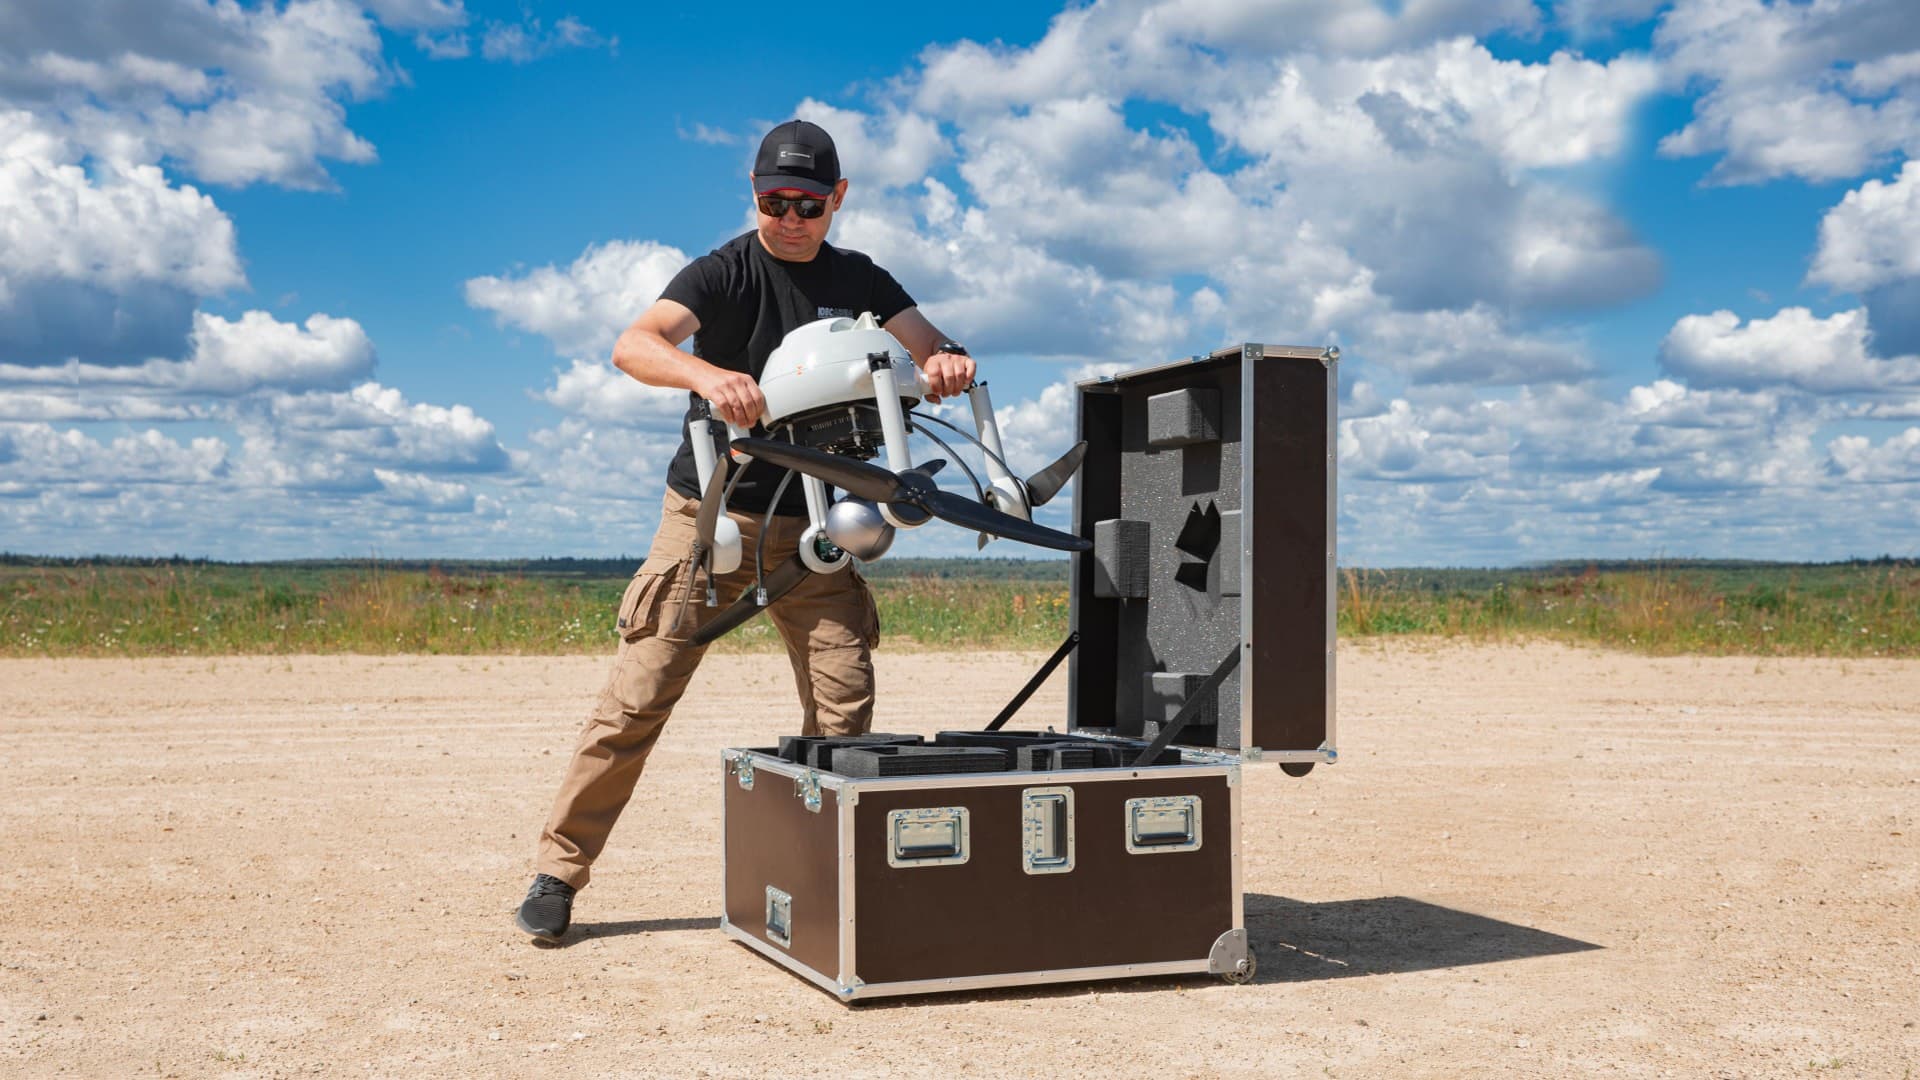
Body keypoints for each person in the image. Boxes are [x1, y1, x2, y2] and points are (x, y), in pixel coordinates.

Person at [515, 119, 976, 942]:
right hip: (711, 519)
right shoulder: (722, 272)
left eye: (809, 204)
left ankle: (826, 882)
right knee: (635, 700)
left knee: (844, 707)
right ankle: (557, 873)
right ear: (754, 194)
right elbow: (634, 344)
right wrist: (705, 374)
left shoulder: (862, 280)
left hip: (819, 526)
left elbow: (928, 343)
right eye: (774, 202)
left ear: (838, 199)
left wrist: (946, 360)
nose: (790, 219)